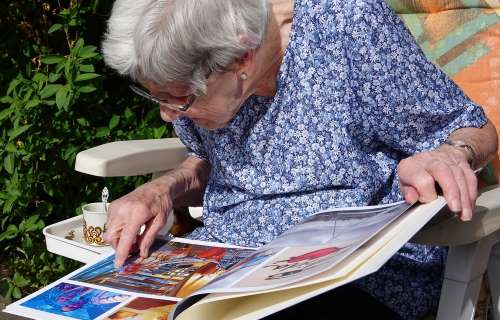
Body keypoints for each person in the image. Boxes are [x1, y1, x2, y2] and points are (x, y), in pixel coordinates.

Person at [101, 0, 498, 318]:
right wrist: (162, 190)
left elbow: (471, 126)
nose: (167, 116)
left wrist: (448, 154)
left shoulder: (344, 27)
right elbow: (218, 162)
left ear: (242, 60)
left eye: (179, 99)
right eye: (157, 97)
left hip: (354, 272)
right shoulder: (203, 64)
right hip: (226, 263)